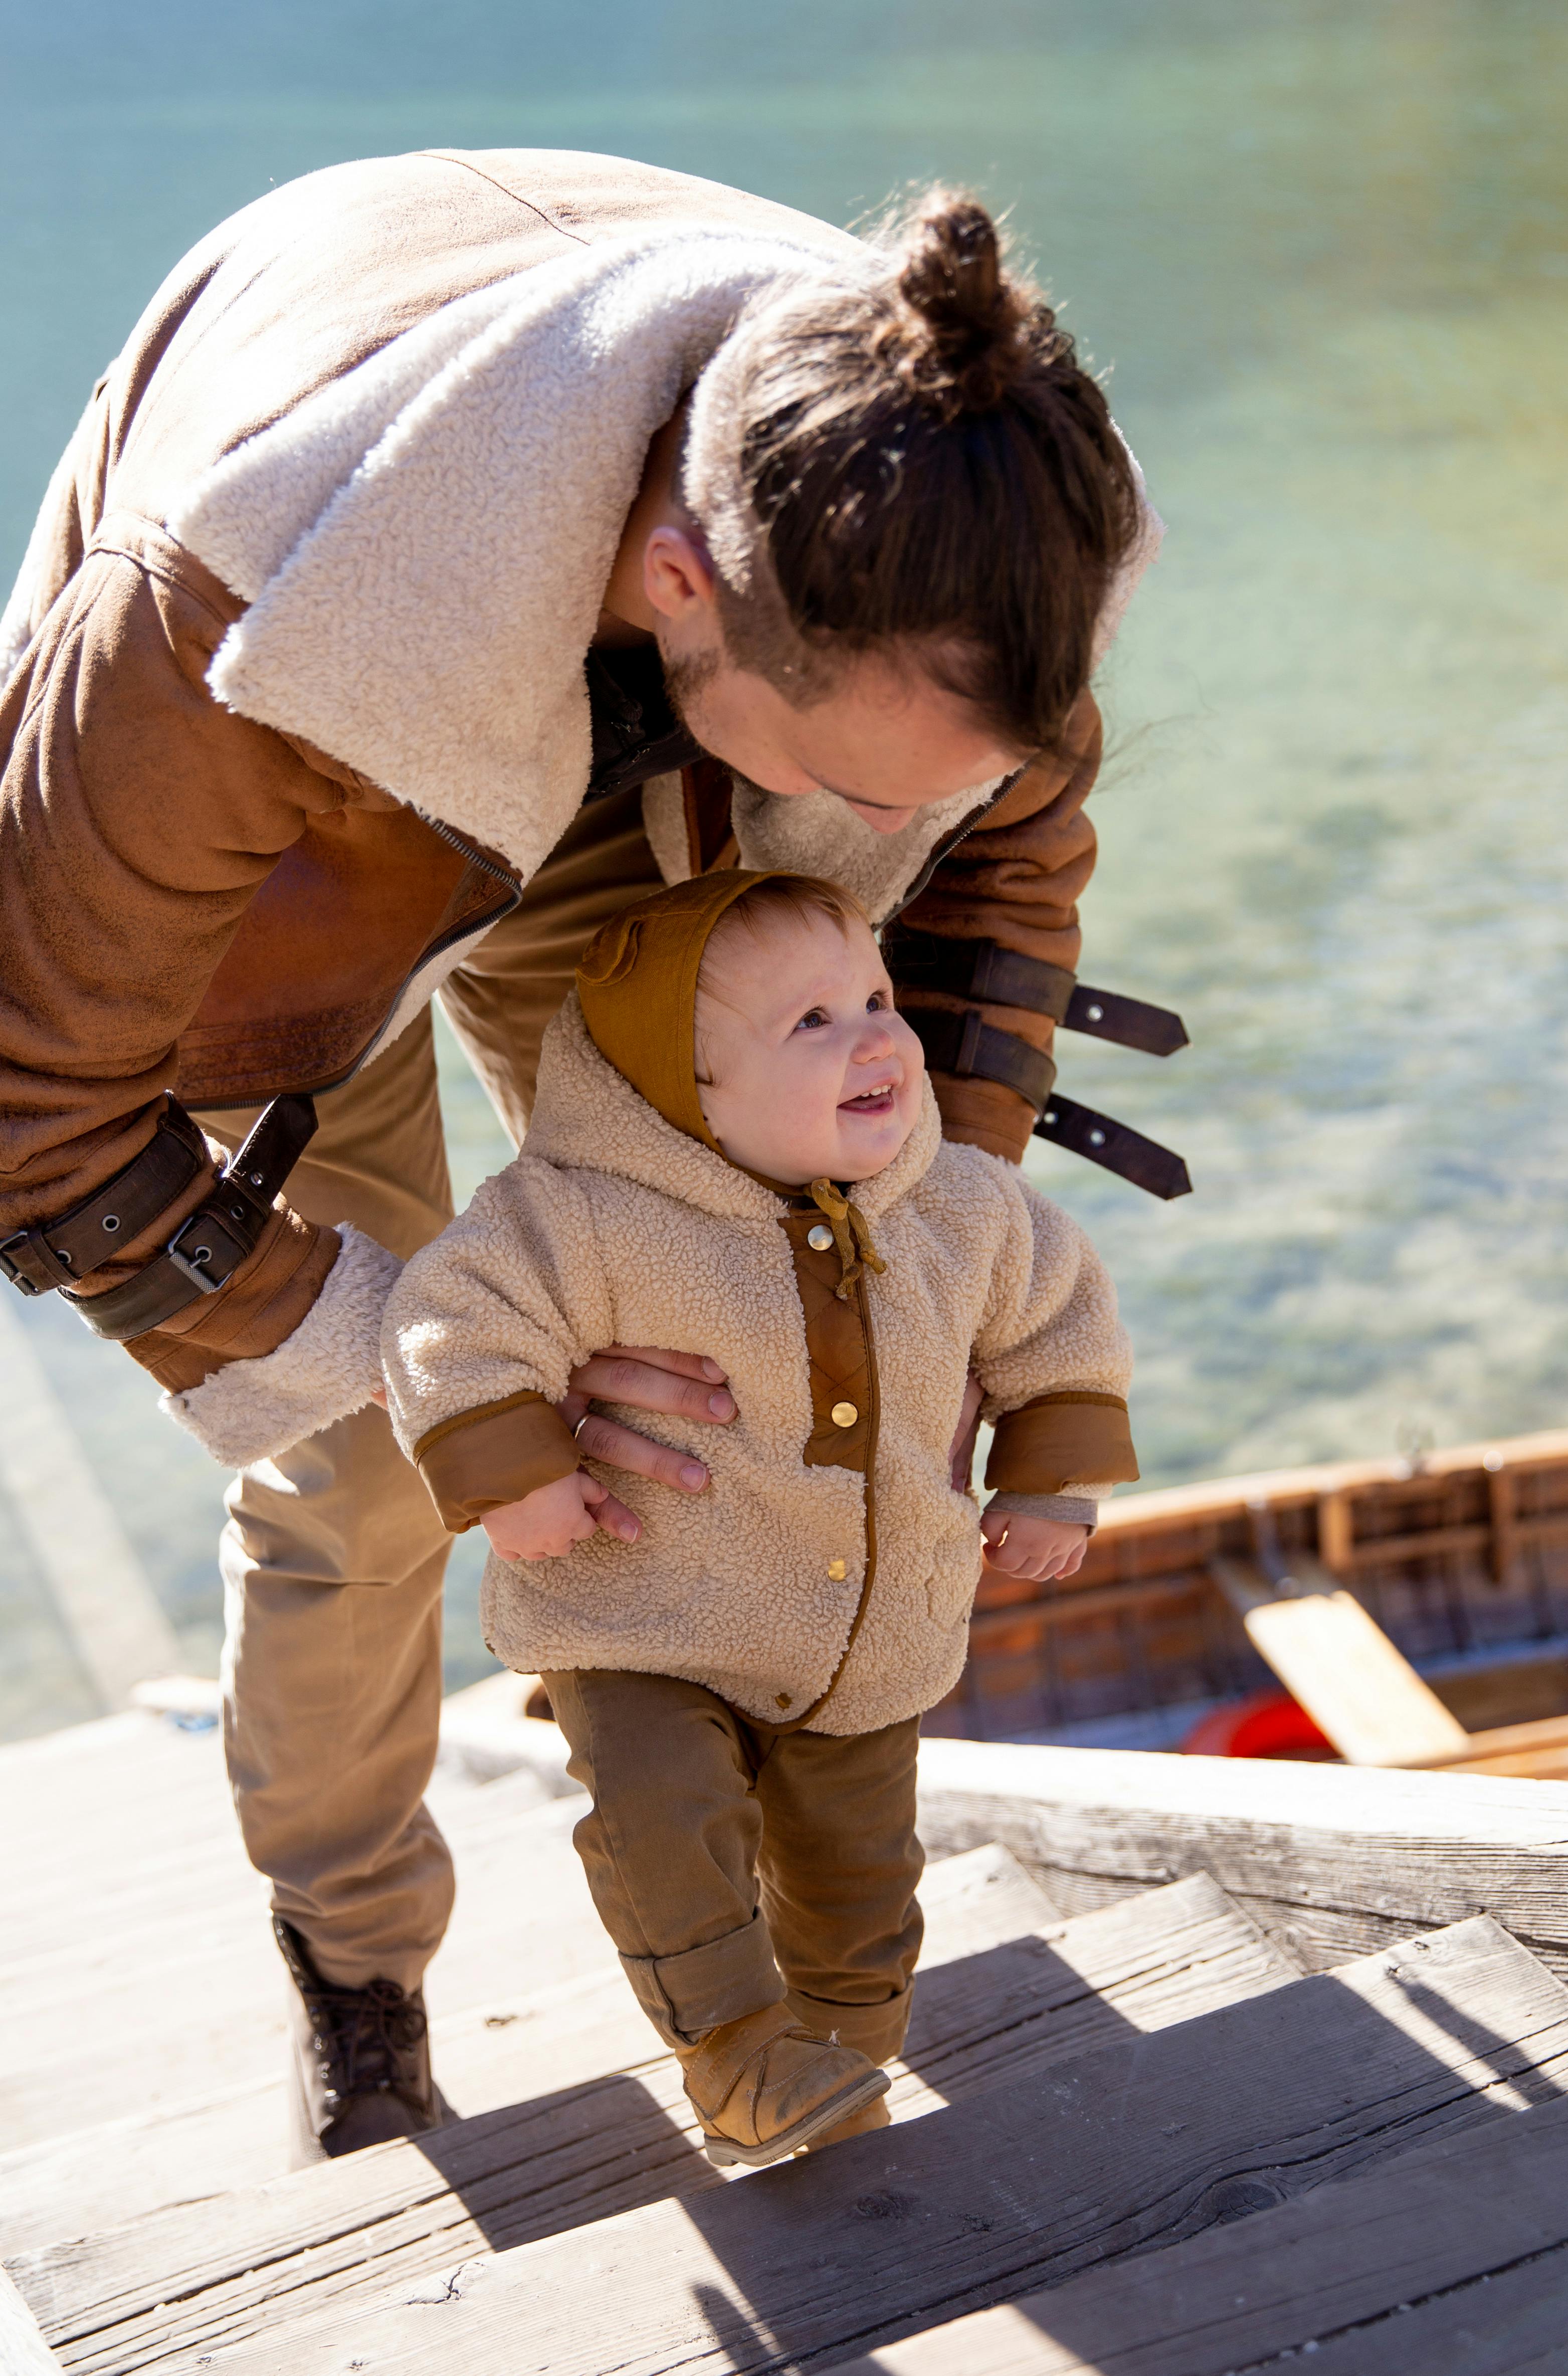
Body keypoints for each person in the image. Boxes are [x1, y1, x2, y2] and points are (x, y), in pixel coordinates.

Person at [0, 149, 1157, 2159]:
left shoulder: (964, 523)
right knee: (370, 1482)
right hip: (308, 818)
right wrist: (434, 1362)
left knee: (759, 1366)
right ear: (683, 584)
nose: (924, 816)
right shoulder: (213, 614)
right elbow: (36, 1102)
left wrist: (924, 1244)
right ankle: (356, 1971)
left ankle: (787, 1958)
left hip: (681, 793)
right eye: (860, 782)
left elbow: (1002, 865)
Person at [380, 870, 1136, 2166]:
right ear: (690, 1090)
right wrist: (516, 1469)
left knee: (860, 1872)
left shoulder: (954, 1201)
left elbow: (1060, 1314)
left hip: (864, 1637)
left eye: (878, 998)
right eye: (813, 1024)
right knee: (667, 1827)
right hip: (643, 1617)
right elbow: (451, 1321)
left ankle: (843, 2038)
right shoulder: (590, 1215)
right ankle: (733, 2045)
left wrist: (1049, 1472)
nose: (879, 1037)